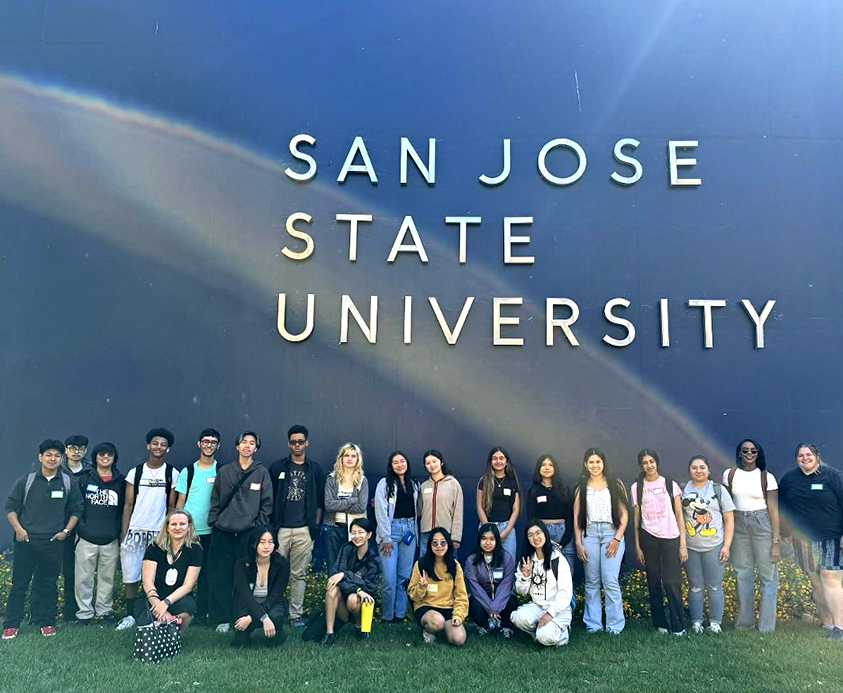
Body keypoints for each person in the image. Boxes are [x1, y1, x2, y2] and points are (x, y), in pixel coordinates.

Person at [2, 440, 84, 639]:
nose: (52, 459)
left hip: (53, 543)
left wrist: (65, 531)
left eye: (57, 455)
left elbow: (77, 509)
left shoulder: (67, 482)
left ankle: (47, 622)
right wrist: (19, 530)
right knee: (20, 584)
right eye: (48, 455)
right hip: (26, 541)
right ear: (40, 457)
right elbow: (11, 508)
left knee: (48, 583)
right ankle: (11, 625)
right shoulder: (26, 481)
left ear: (61, 458)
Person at [207, 431, 273, 633]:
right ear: (237, 447)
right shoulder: (225, 471)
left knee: (244, 577)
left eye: (252, 443)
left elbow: (267, 503)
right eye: (243, 442)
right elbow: (216, 499)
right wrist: (215, 521)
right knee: (221, 576)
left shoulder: (261, 472)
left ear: (256, 449)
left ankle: (241, 615)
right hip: (223, 531)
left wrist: (257, 528)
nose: (247, 446)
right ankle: (221, 618)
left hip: (248, 534)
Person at [778, 443, 843, 640]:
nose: (805, 458)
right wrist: (784, 531)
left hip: (831, 537)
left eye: (809, 455)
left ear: (817, 456)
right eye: (800, 455)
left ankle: (840, 628)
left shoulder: (832, 476)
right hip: (803, 539)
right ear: (796, 458)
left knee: (829, 578)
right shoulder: (789, 480)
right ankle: (827, 624)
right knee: (815, 582)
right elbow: (782, 508)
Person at [116, 428, 178, 630]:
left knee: (157, 576)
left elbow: (172, 507)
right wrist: (124, 533)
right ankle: (130, 615)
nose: (158, 447)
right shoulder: (136, 472)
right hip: (135, 532)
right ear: (148, 446)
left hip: (158, 534)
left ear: (167, 449)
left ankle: (155, 613)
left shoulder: (171, 473)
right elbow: (127, 505)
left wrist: (168, 535)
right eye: (155, 443)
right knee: (131, 575)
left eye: (163, 444)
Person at [270, 424, 326, 628]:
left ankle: (296, 615)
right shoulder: (278, 467)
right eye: (293, 442)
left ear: (307, 443)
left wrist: (316, 524)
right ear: (288, 444)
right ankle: (271, 611)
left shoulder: (314, 468)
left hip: (304, 528)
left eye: (300, 442)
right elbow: (270, 498)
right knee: (273, 572)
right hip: (280, 529)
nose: (297, 446)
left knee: (298, 575)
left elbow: (320, 500)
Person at [723, 438, 781, 633]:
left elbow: (773, 511)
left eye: (753, 451)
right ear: (739, 453)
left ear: (758, 453)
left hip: (762, 524)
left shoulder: (767, 477)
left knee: (768, 576)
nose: (749, 454)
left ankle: (766, 627)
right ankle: (745, 624)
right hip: (738, 524)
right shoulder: (729, 475)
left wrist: (775, 542)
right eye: (745, 451)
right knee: (743, 574)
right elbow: (726, 506)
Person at [630, 449, 686, 635]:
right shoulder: (636, 487)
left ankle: (678, 625)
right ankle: (660, 624)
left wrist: (683, 544)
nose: (649, 465)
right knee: (653, 581)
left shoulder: (670, 484)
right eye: (645, 462)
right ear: (641, 465)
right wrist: (637, 546)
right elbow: (637, 519)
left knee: (671, 582)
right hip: (648, 537)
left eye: (651, 461)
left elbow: (679, 515)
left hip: (671, 537)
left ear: (657, 462)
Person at [573, 447, 629, 634]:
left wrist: (616, 539)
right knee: (592, 581)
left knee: (610, 580)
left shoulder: (614, 483)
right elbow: (576, 518)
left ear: (603, 463)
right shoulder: (581, 486)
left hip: (610, 533)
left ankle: (615, 626)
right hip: (589, 534)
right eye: (591, 462)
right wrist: (579, 543)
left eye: (598, 462)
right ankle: (593, 625)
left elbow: (624, 514)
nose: (595, 465)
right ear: (585, 465)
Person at [681, 454, 735, 634]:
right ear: (689, 470)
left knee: (714, 586)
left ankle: (715, 622)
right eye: (694, 467)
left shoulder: (718, 489)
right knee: (695, 586)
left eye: (702, 467)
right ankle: (696, 621)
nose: (698, 471)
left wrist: (726, 546)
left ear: (709, 470)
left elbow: (729, 519)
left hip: (715, 545)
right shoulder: (682, 490)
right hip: (691, 546)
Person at [74, 442, 126, 625]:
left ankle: (104, 613)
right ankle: (84, 614)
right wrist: (82, 527)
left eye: (109, 454)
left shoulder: (121, 481)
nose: (105, 457)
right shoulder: (83, 479)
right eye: (101, 454)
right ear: (95, 457)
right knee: (83, 579)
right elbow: (76, 507)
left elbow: (124, 509)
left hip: (110, 539)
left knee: (107, 579)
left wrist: (117, 530)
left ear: (114, 457)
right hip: (86, 538)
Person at [175, 428, 221, 623]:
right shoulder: (189, 471)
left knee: (207, 574)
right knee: (183, 573)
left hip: (211, 531)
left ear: (218, 446)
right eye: (205, 441)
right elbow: (180, 502)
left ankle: (202, 613)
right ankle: (182, 610)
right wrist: (177, 527)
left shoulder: (222, 470)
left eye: (212, 442)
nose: (208, 445)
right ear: (198, 444)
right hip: (189, 533)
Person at [374, 450, 419, 623]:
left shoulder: (414, 484)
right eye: (395, 462)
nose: (399, 464)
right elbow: (380, 512)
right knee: (388, 577)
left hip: (409, 530)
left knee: (404, 576)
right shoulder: (384, 484)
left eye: (402, 461)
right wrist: (385, 537)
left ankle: (399, 615)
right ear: (391, 466)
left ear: (407, 463)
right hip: (390, 531)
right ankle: (387, 616)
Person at [512, 520, 573, 646]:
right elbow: (521, 591)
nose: (535, 537)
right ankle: (540, 633)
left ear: (545, 534)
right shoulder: (527, 560)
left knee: (545, 637)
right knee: (518, 617)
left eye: (538, 533)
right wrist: (525, 576)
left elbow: (565, 592)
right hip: (538, 607)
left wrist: (550, 613)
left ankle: (562, 633)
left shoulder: (557, 559)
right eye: (531, 535)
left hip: (558, 610)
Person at [140, 509, 203, 631]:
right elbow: (148, 582)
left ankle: (176, 637)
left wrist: (166, 604)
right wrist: (158, 605)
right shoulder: (154, 548)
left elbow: (188, 586)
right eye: (173, 524)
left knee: (188, 607)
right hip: (154, 597)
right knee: (148, 619)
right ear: (167, 527)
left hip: (177, 598)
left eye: (182, 524)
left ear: (189, 527)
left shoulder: (195, 550)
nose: (178, 528)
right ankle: (160, 630)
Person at [320, 518, 380, 645]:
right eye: (353, 533)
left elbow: (368, 587)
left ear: (369, 535)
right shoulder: (346, 548)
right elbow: (336, 575)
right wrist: (353, 584)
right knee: (332, 588)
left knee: (353, 598)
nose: (356, 536)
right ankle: (329, 633)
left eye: (360, 532)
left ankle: (360, 626)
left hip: (361, 602)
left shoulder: (374, 560)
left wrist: (345, 575)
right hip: (342, 600)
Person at [407, 528, 468, 646]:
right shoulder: (421, 563)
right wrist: (421, 587)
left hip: (448, 608)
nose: (439, 546)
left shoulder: (455, 566)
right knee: (437, 621)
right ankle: (429, 632)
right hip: (426, 607)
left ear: (448, 544)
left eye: (443, 543)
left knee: (459, 639)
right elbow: (413, 596)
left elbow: (461, 596)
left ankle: (444, 629)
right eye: (435, 543)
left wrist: (458, 616)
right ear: (430, 545)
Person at [231, 525, 290, 647]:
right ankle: (245, 632)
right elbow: (245, 596)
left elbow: (275, 596)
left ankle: (276, 631)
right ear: (254, 544)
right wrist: (262, 617)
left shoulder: (282, 565)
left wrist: (257, 618)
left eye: (270, 542)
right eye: (262, 542)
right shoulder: (241, 565)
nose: (267, 546)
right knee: (240, 643)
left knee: (276, 619)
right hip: (246, 605)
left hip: (272, 605)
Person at [464, 523, 518, 637]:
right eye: (484, 538)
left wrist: (497, 605)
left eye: (492, 539)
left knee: (512, 601)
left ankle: (505, 627)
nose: (487, 542)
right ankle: (484, 626)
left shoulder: (506, 558)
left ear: (497, 540)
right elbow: (474, 587)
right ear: (479, 540)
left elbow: (507, 584)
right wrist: (490, 607)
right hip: (482, 598)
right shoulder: (471, 560)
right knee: (473, 604)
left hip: (501, 598)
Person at [322, 443, 369, 574]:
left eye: (353, 456)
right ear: (341, 458)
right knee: (334, 569)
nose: (349, 458)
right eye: (346, 455)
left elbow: (361, 507)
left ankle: (351, 595)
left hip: (355, 531)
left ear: (358, 459)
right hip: (333, 529)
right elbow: (329, 505)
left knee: (353, 569)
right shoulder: (331, 479)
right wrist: (351, 500)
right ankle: (333, 595)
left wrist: (340, 504)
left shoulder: (362, 480)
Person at [524, 455, 575, 572]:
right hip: (542, 531)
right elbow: (531, 518)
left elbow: (570, 514)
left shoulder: (564, 488)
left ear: (555, 468)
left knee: (567, 570)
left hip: (563, 532)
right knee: (545, 570)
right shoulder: (534, 490)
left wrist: (566, 539)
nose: (547, 468)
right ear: (538, 468)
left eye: (550, 465)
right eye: (543, 465)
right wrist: (541, 535)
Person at [60, 434, 90, 622]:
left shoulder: (91, 471)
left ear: (85, 450)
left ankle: (81, 610)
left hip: (85, 528)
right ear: (66, 450)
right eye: (72, 447)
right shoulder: (57, 470)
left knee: (82, 572)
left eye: (80, 448)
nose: (76, 451)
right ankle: (67, 609)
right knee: (65, 569)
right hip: (61, 528)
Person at [476, 446, 521, 559]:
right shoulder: (483, 481)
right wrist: (487, 530)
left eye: (501, 458)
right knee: (487, 562)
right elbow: (479, 506)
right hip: (487, 526)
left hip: (507, 527)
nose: (498, 461)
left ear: (506, 462)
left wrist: (506, 531)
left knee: (508, 562)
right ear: (490, 462)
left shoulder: (512, 481)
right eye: (495, 458)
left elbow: (516, 508)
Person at [418, 450, 463, 556]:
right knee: (425, 565)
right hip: (426, 534)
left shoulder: (453, 484)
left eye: (434, 461)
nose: (432, 465)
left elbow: (458, 512)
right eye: (428, 463)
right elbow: (419, 510)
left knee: (448, 566)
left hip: (446, 533)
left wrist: (456, 537)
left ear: (441, 462)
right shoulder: (424, 486)